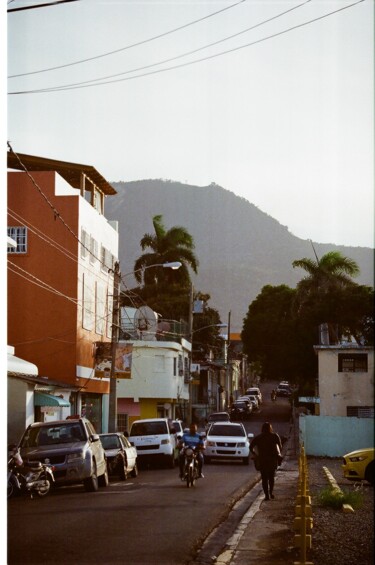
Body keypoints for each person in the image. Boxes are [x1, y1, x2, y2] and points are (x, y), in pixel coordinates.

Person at [250, 422, 282, 500]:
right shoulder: (275, 436)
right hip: (272, 460)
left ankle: (266, 495)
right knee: (271, 478)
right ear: (270, 428)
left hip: (262, 460)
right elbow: (280, 447)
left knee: (264, 478)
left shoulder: (258, 437)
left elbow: (251, 447)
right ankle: (271, 493)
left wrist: (255, 454)